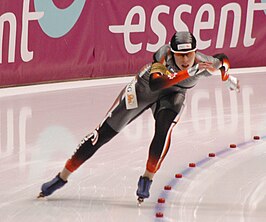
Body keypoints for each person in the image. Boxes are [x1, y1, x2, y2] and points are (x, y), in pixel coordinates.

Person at [38, 31, 240, 204]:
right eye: (180, 56)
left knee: (163, 130)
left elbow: (222, 59)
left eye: (189, 55)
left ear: (195, 52)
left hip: (173, 96)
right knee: (102, 134)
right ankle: (62, 177)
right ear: (172, 52)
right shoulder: (163, 55)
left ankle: (147, 178)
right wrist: (189, 73)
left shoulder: (202, 63)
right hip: (142, 91)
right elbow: (156, 84)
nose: (185, 60)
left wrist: (226, 76)